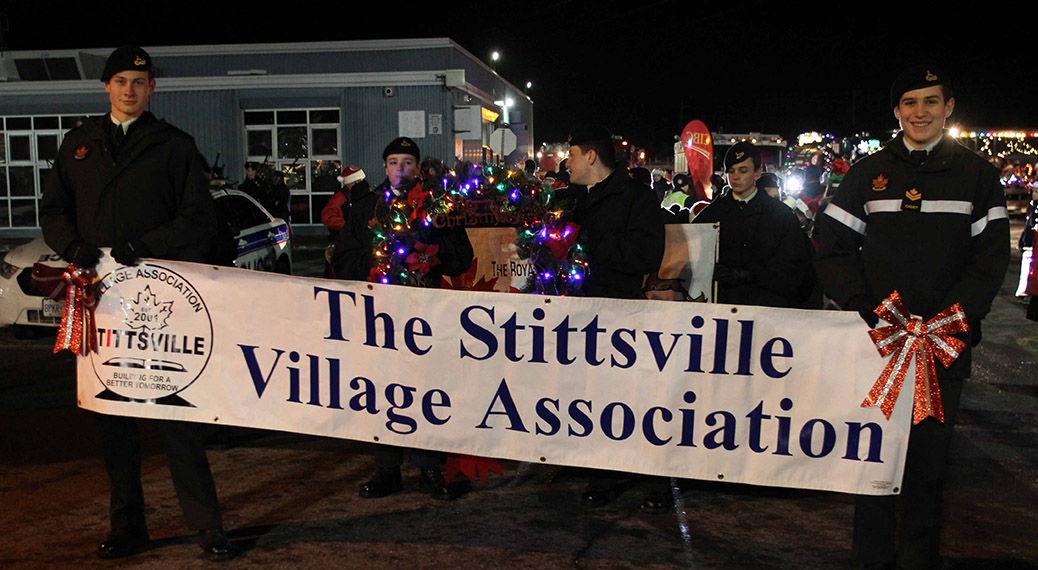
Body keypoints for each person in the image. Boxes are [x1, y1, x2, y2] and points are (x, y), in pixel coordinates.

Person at [39, 45, 233, 561]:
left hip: (160, 301)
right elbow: (53, 210)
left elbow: (200, 219)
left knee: (178, 418)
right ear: (106, 86)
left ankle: (207, 526)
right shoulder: (78, 145)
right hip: (100, 300)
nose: (130, 90)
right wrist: (73, 247)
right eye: (121, 81)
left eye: (139, 82)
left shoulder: (174, 146)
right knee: (112, 421)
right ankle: (128, 527)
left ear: (152, 89)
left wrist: (145, 245)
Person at [814, 65, 1009, 570]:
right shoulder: (868, 173)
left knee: (928, 466)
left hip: (942, 346)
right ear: (897, 110)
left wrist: (950, 320)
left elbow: (989, 262)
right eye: (909, 102)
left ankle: (919, 559)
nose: (919, 112)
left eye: (930, 101)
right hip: (879, 343)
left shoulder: (978, 176)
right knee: (873, 460)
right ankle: (870, 557)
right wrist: (862, 305)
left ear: (948, 107)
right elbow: (832, 246)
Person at [332, 137, 473, 500]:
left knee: (427, 389)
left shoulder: (437, 205)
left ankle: (428, 466)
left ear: (417, 168)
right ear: (385, 167)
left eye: (407, 162)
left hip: (426, 315)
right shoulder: (368, 206)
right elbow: (344, 258)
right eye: (394, 162)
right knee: (383, 389)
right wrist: (378, 260)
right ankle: (387, 469)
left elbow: (461, 258)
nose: (400, 169)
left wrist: (434, 249)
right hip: (381, 316)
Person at [557, 125, 666, 507]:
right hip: (576, 313)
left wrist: (589, 247)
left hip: (621, 314)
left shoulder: (636, 197)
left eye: (571, 154)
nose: (565, 162)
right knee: (587, 396)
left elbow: (647, 255)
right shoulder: (569, 199)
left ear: (591, 156)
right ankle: (597, 472)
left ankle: (652, 480)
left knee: (631, 399)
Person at [692, 142, 814, 308]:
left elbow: (795, 269)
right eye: (731, 171)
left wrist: (753, 275)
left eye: (743, 171)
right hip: (721, 308)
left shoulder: (781, 216)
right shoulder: (711, 215)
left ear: (757, 173)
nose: (735, 177)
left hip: (767, 309)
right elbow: (693, 261)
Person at [320, 165, 365, 277]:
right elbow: (328, 217)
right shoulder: (340, 198)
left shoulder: (358, 196)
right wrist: (349, 226)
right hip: (342, 244)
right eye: (358, 181)